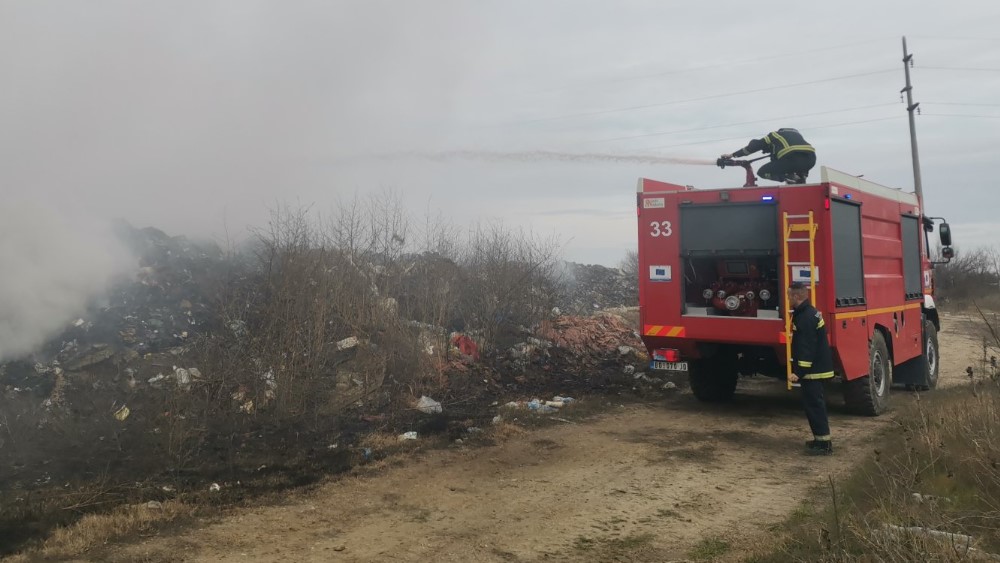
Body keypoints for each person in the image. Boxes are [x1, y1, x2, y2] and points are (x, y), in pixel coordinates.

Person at [787, 281, 835, 455]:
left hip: (813, 371)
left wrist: (799, 373)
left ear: (797, 296)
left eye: (789, 295)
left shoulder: (805, 317)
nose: (787, 298)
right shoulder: (809, 313)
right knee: (815, 405)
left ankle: (823, 444)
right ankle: (820, 440)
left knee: (814, 406)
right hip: (816, 369)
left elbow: (806, 348)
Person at [721, 128, 816, 184]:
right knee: (796, 169)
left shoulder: (774, 135)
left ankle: (789, 178)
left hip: (792, 158)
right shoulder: (795, 137)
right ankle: (800, 178)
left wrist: (733, 155)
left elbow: (753, 147)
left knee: (762, 172)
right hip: (811, 160)